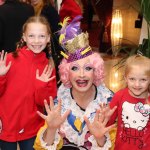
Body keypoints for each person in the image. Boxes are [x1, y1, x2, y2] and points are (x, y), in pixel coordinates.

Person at [33, 16, 116, 150]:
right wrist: (52, 129)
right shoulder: (58, 102)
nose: (81, 74)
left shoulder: (109, 101)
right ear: (67, 73)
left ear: (96, 72)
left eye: (88, 68)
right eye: (74, 68)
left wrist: (100, 138)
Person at [0, 16, 57, 150]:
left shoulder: (48, 67)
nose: (36, 41)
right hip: (5, 126)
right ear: (24, 37)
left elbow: (45, 103)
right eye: (31, 36)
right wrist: (1, 76)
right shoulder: (8, 60)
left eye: (41, 36)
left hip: (32, 129)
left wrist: (41, 86)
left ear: (48, 38)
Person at [107, 55, 150, 150]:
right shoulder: (119, 96)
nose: (137, 84)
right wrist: (104, 117)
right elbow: (107, 123)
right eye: (132, 79)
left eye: (143, 79)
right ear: (126, 78)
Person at [30, 0, 63, 85]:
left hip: (48, 52)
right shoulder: (30, 8)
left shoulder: (48, 9)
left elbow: (58, 31)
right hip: (36, 51)